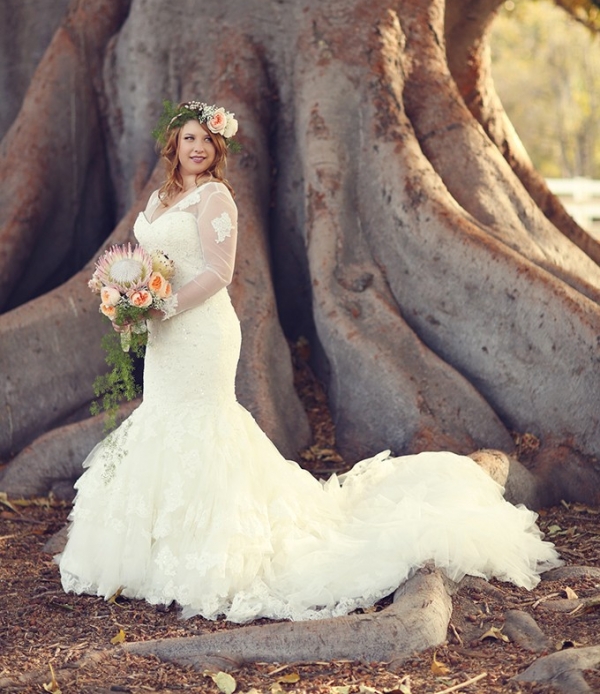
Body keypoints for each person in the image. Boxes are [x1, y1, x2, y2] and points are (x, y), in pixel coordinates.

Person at [57, 100, 562, 623]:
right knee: (161, 419)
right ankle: (152, 553)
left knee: (202, 426)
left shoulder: (216, 199)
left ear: (217, 148)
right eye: (188, 139)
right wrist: (130, 300)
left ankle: (216, 551)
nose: (198, 147)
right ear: (174, 145)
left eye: (206, 140)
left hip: (201, 332)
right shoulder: (163, 196)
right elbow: (147, 260)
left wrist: (159, 306)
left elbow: (217, 274)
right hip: (163, 338)